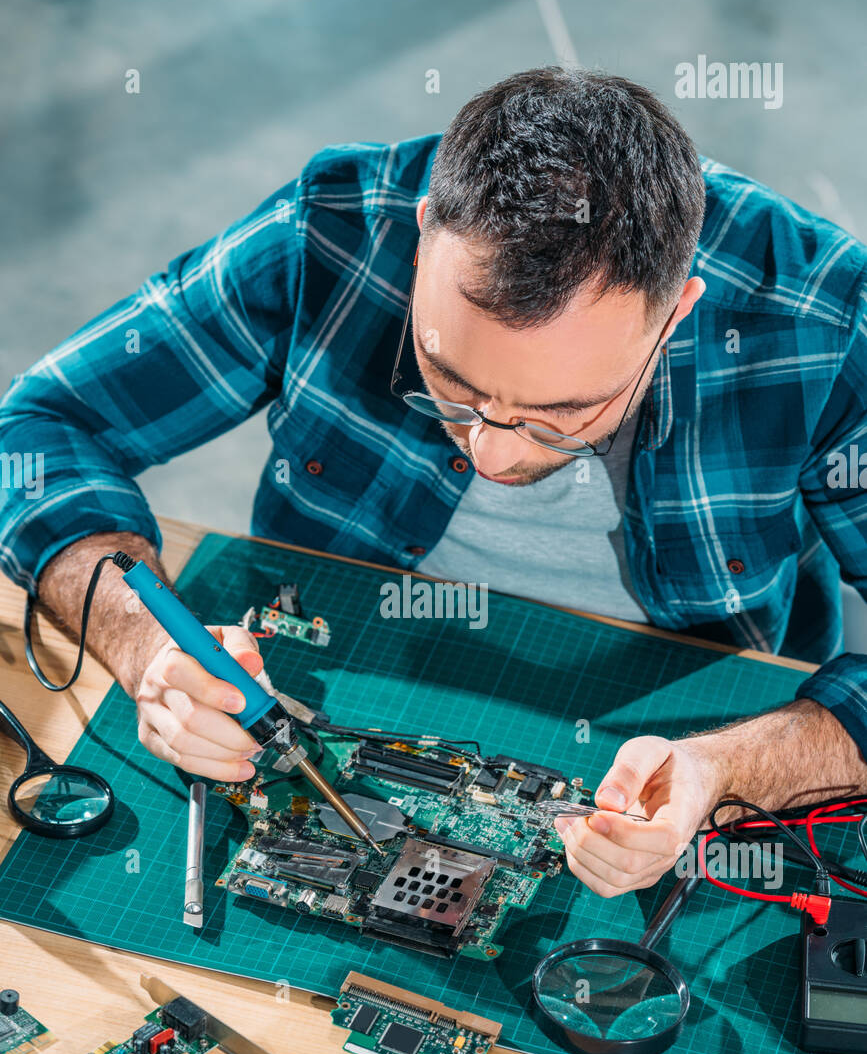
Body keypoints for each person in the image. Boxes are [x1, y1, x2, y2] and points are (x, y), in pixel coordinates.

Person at [2, 66, 865, 900]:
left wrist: (726, 768)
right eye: (449, 383)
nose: (490, 454)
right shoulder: (332, 226)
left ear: (677, 311)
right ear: (421, 239)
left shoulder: (821, 319)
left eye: (560, 413)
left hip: (683, 711)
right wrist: (144, 643)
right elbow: (37, 432)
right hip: (323, 664)